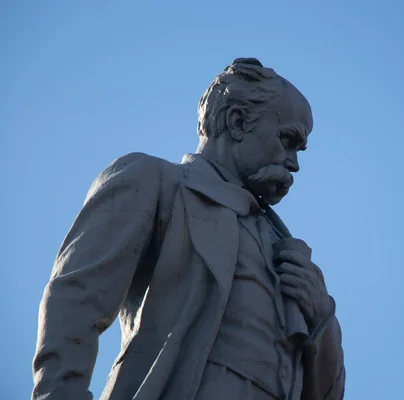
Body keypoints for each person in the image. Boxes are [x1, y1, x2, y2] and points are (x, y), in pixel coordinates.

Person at [32, 58, 345, 400]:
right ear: (238, 121)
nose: (294, 163)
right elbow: (76, 299)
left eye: (299, 149)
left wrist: (321, 319)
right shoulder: (156, 182)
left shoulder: (285, 251)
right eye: (286, 140)